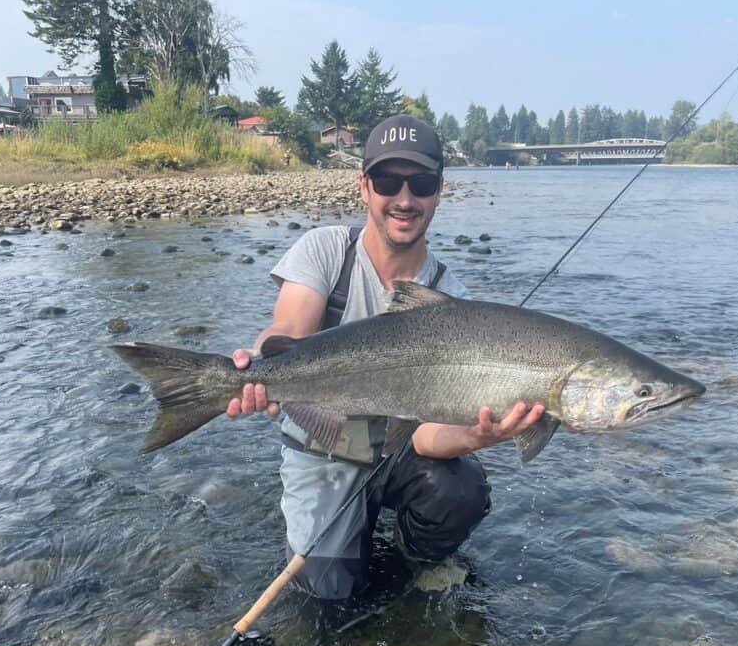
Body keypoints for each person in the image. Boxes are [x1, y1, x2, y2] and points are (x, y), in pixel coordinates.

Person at [226, 114, 545, 602]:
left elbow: (423, 432)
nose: (404, 198)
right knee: (328, 599)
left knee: (461, 491)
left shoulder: (452, 302)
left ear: (438, 190)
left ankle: (411, 556)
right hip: (322, 446)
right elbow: (289, 329)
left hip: (396, 450)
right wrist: (256, 365)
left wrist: (477, 436)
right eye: (387, 181)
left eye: (420, 183)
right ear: (364, 186)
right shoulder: (327, 251)